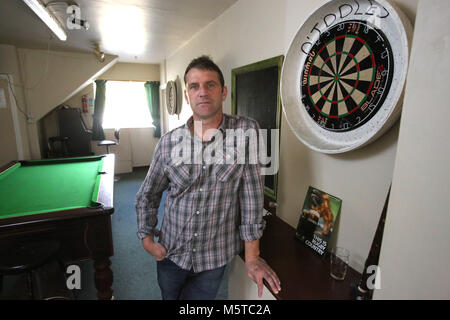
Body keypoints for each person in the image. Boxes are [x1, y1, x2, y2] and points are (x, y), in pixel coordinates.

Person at [135, 55, 281, 300]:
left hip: (214, 258)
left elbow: (252, 198)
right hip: (170, 252)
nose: (202, 92)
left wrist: (253, 257)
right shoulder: (169, 142)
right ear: (187, 95)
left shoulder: (246, 131)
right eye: (194, 86)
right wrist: (147, 238)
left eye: (210, 84)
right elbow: (148, 194)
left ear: (223, 92)